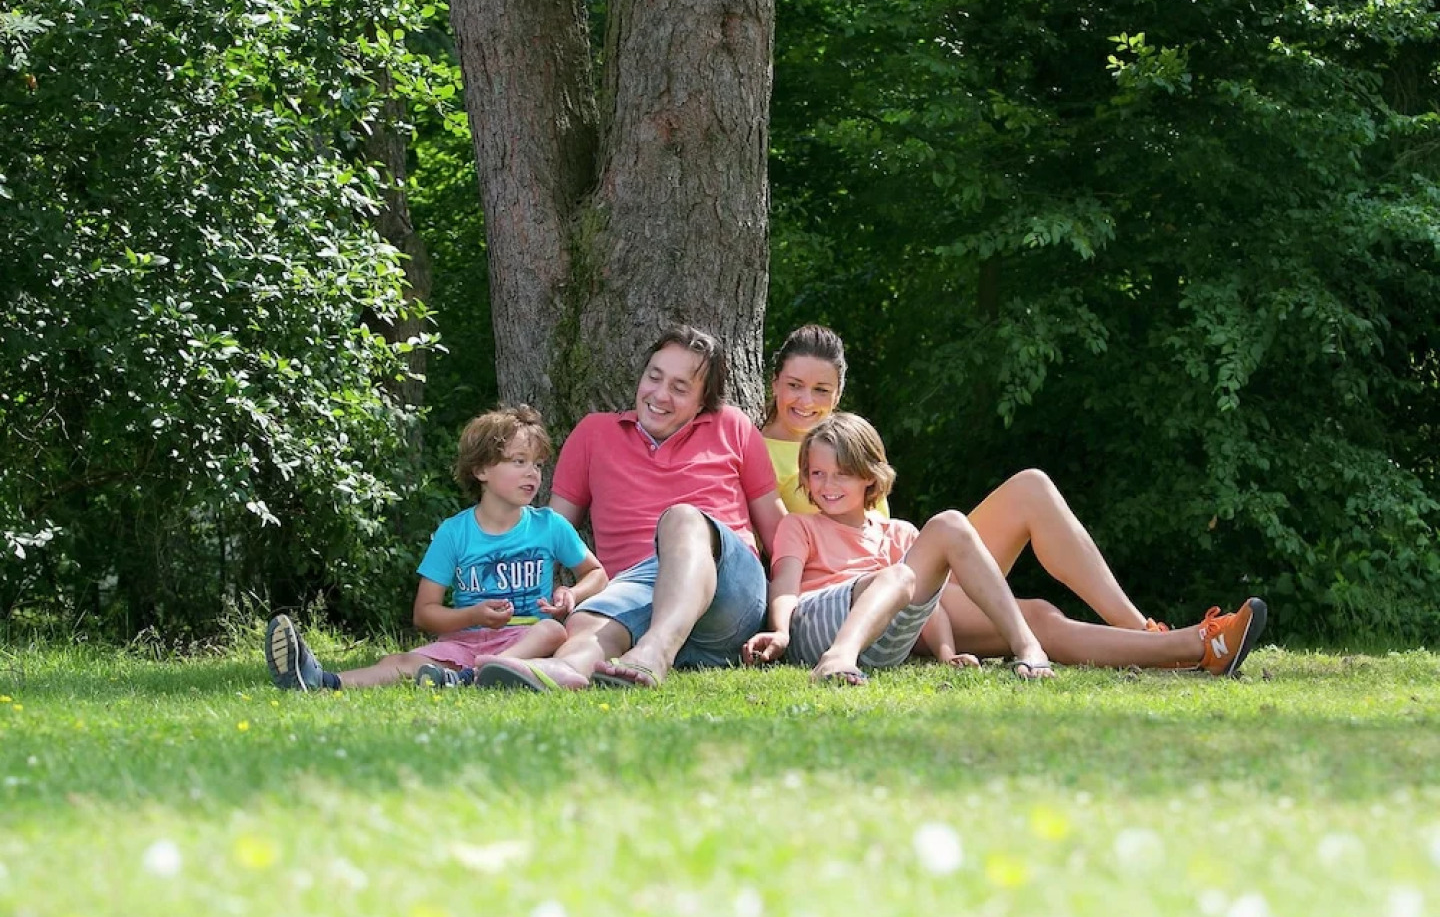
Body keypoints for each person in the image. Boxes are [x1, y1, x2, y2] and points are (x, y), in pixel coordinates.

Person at [753, 324, 1268, 672]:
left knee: (1031, 487)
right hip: (849, 597)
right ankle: (1181, 648)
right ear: (773, 381)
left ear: (839, 392)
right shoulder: (757, 449)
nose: (806, 401)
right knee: (1039, 613)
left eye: (822, 390)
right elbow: (783, 563)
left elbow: (894, 543)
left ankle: (1146, 634)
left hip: (912, 576)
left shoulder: (848, 443)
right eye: (795, 385)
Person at [471, 324, 787, 692]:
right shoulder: (593, 434)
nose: (660, 394)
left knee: (683, 519)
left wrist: (794, 611)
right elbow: (548, 534)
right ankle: (565, 670)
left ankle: (654, 653)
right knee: (588, 619)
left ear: (703, 402)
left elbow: (780, 536)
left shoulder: (733, 426)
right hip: (635, 596)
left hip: (728, 594)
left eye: (679, 388)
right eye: (654, 377)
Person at [264, 405, 606, 691]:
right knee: (399, 662)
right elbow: (425, 614)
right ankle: (320, 680)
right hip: (464, 643)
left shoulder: (549, 526)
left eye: (537, 465)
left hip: (525, 641)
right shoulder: (454, 533)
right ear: (481, 469)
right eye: (519, 461)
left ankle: (481, 674)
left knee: (552, 630)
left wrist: (572, 595)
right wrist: (473, 615)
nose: (532, 473)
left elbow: (596, 574)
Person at [745, 413, 1054, 684]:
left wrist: (946, 654)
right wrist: (781, 631)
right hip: (815, 626)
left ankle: (1027, 646)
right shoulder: (800, 525)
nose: (828, 485)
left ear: (868, 475)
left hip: (883, 644)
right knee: (897, 576)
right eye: (817, 474)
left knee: (950, 524)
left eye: (842, 473)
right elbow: (785, 584)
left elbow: (928, 606)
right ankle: (838, 657)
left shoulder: (898, 533)